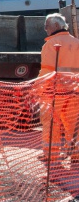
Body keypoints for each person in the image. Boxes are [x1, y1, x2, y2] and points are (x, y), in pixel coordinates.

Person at [37, 13, 79, 162]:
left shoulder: (50, 44)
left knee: (51, 124)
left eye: (46, 26)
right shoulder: (76, 43)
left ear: (55, 26)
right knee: (74, 125)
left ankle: (51, 154)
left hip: (55, 93)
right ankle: (76, 154)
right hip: (75, 91)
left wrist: (38, 89)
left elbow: (46, 72)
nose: (45, 29)